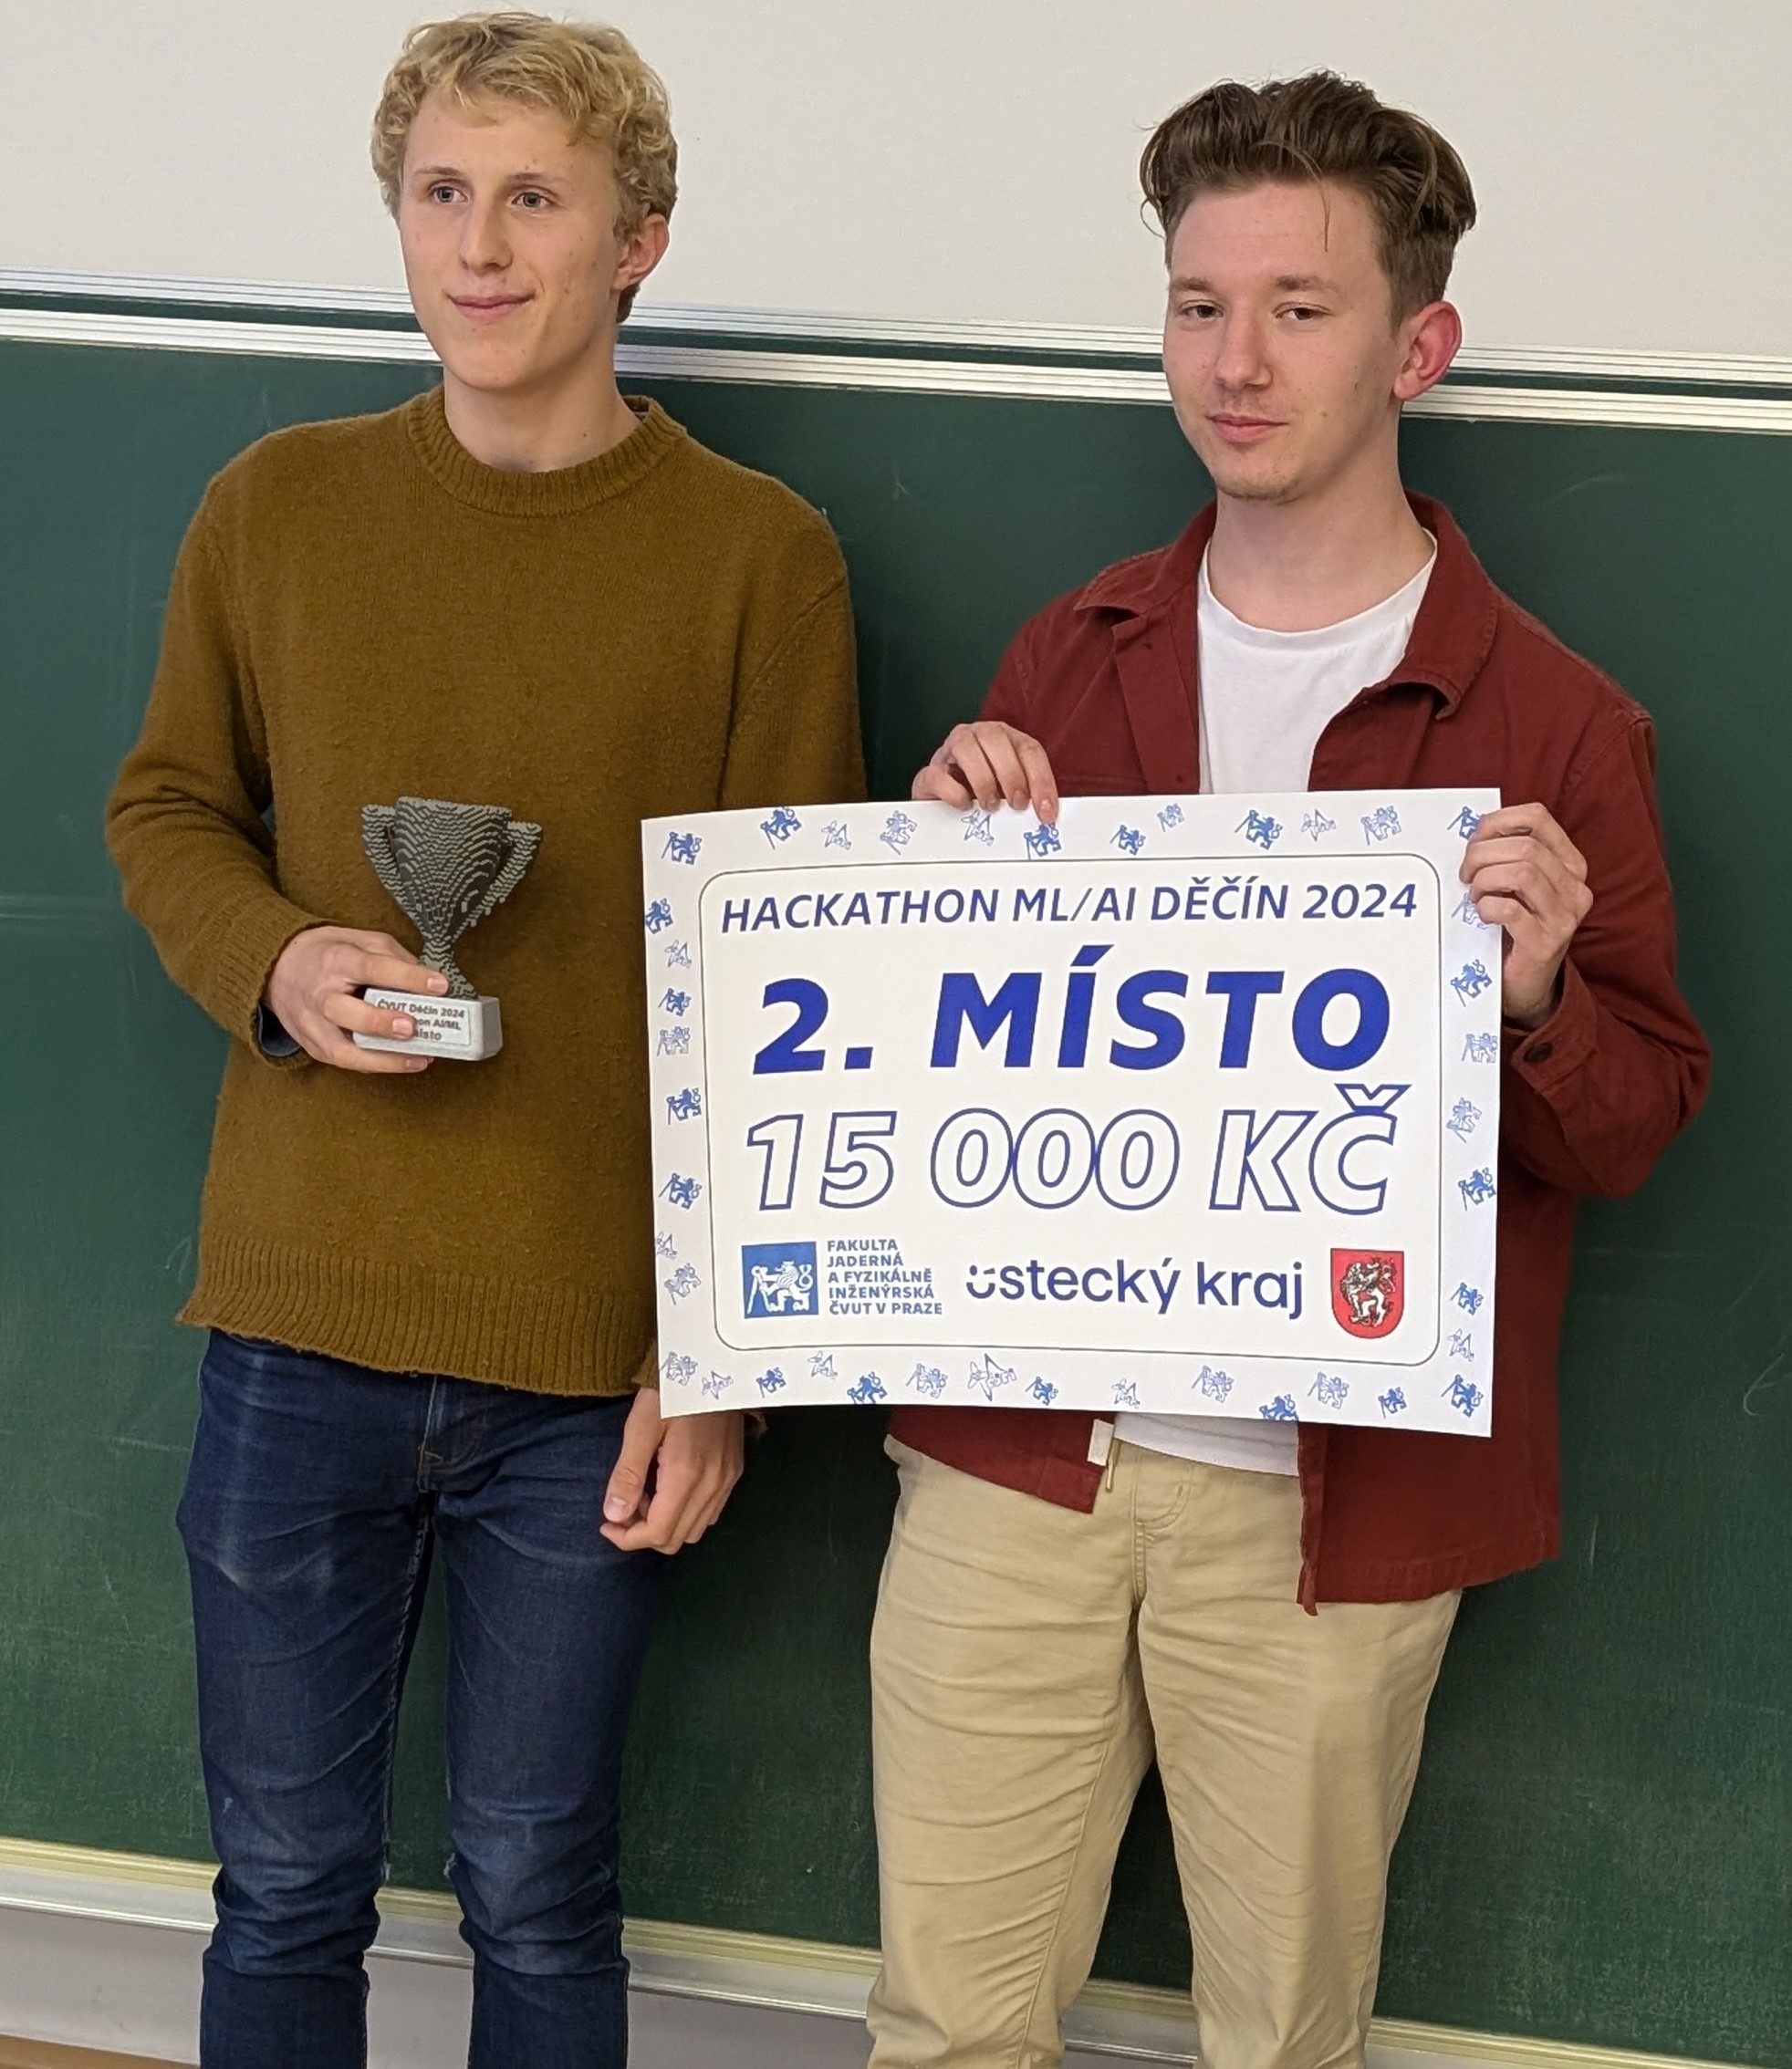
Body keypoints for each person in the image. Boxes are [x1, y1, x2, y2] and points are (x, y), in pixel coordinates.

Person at [874, 72, 1707, 2069]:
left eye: (1298, 308)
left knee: (1282, 2043)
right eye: (1197, 304)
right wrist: (933, 878)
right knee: (946, 2028)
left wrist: (1535, 998)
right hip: (1020, 1462)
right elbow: (939, 1072)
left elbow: (1634, 1126)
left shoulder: (1555, 723)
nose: (1233, 362)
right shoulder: (1069, 654)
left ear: (1419, 346)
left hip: (1335, 1510)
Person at [106, 14, 861, 2066]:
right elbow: (167, 809)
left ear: (639, 242)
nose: (480, 244)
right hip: (296, 1328)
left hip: (587, 1371)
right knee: (281, 1888)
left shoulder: (760, 560)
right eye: (441, 192)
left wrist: (715, 1363)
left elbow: (790, 993)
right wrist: (279, 964)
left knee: (539, 1893)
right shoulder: (274, 508)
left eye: (535, 197)